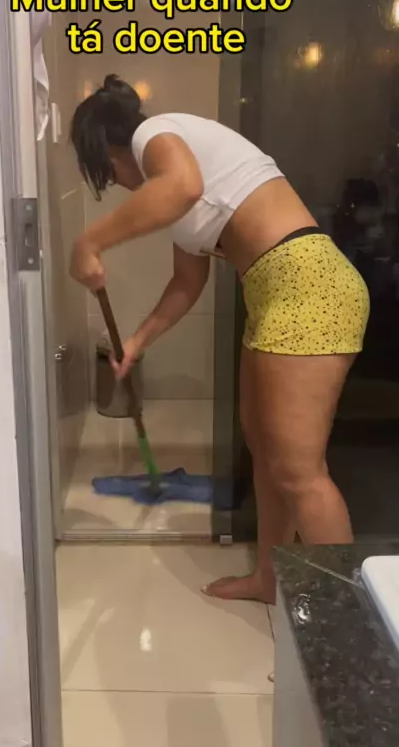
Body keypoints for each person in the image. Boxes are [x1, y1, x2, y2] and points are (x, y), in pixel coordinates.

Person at [69, 75, 370, 604]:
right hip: (274, 294)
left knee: (299, 472)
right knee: (265, 451)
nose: (118, 184)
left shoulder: (156, 137)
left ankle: (345, 626)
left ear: (111, 153)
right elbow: (187, 283)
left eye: (109, 174)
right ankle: (269, 579)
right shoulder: (179, 183)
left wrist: (89, 242)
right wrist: (136, 342)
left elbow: (180, 188)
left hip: (309, 285)